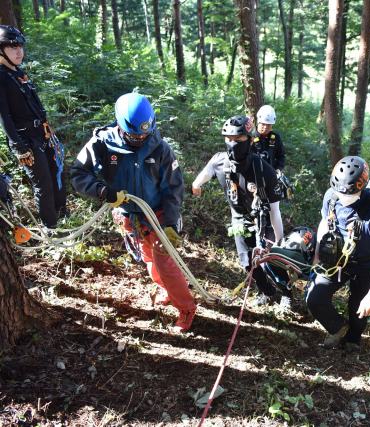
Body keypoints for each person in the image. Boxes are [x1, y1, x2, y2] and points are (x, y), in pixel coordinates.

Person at [71, 93, 197, 333]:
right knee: (148, 257)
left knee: (165, 262)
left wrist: (170, 222)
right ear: (120, 126)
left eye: (144, 135)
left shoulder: (160, 148)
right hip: (127, 214)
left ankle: (186, 307)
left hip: (157, 214)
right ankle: (164, 289)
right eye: (134, 136)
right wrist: (102, 191)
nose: (140, 140)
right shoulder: (102, 143)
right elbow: (79, 174)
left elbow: (173, 187)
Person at [192, 115, 285, 307]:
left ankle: (288, 293)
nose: (233, 144)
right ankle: (267, 292)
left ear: (250, 140)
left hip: (264, 216)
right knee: (247, 261)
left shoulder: (265, 171)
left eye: (239, 140)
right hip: (240, 218)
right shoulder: (219, 161)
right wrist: (196, 185)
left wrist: (279, 240)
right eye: (228, 139)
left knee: (273, 258)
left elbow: (275, 211)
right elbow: (203, 176)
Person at [306, 156, 370, 352]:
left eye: (351, 193)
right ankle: (338, 327)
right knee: (314, 298)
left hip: (368, 264)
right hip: (338, 259)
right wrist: (317, 256)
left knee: (360, 307)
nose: (344, 198)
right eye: (340, 193)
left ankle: (354, 338)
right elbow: (325, 222)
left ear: (362, 186)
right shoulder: (331, 196)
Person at [0, 25, 68, 230]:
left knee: (57, 174)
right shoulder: (1, 76)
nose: (19, 51)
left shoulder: (18, 73)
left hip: (42, 133)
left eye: (20, 45)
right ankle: (51, 228)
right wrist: (18, 145)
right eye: (12, 46)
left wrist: (48, 128)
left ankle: (64, 216)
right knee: (43, 183)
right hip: (25, 139)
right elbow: (3, 117)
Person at [251, 105, 285, 175]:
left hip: (271, 175)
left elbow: (281, 156)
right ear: (258, 121)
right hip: (253, 175)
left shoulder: (276, 138)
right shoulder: (250, 137)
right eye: (263, 124)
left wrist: (278, 168)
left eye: (269, 125)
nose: (265, 127)